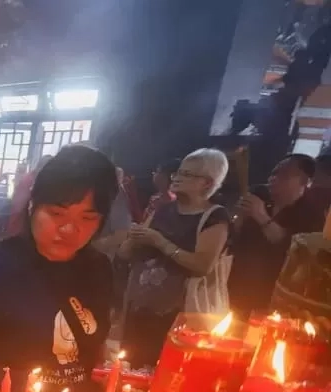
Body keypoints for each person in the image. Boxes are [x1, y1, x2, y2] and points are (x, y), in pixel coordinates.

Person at [0, 144, 119, 392]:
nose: (69, 229)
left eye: (87, 217)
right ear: (33, 205)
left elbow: (94, 348)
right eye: (57, 214)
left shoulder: (98, 268)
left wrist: (112, 371)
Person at [117, 149, 232, 367]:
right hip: (141, 308)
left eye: (187, 174)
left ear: (207, 183)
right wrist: (134, 239)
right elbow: (125, 254)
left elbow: (202, 265)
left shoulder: (215, 217)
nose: (177, 178)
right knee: (132, 367)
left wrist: (161, 242)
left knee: (167, 372)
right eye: (177, 173)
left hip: (181, 315)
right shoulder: (162, 210)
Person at [230, 153, 325, 316]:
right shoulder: (262, 202)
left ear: (304, 181)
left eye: (284, 174)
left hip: (271, 295)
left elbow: (291, 249)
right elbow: (235, 240)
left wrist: (261, 216)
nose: (274, 178)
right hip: (236, 286)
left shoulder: (311, 215)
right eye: (273, 173)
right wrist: (240, 218)